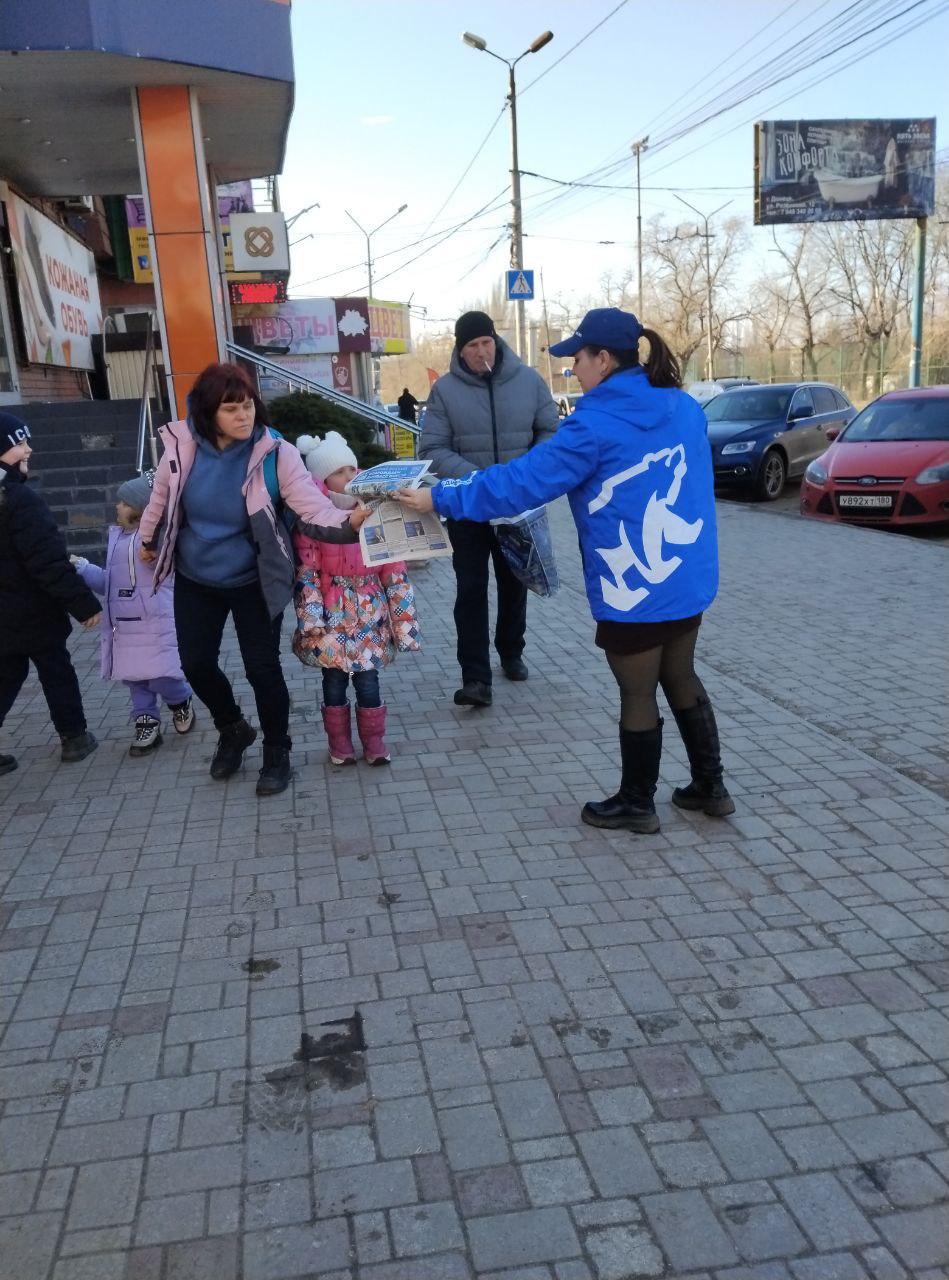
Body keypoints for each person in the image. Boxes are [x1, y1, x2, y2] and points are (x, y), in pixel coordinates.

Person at [400, 308, 735, 834]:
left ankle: (637, 802)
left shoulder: (592, 427)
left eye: (577, 359)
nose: (571, 370)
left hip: (633, 584)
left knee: (639, 692)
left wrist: (438, 497)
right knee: (680, 673)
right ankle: (711, 788)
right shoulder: (684, 407)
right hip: (684, 576)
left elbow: (518, 484)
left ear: (604, 359)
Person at [138, 363, 366, 797]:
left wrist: (351, 520)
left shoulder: (275, 453)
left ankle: (277, 751)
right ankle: (232, 728)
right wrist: (148, 539)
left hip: (254, 578)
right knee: (196, 663)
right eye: (231, 408)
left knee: (261, 669)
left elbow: (311, 510)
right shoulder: (181, 445)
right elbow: (161, 499)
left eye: (247, 406)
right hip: (196, 575)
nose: (243, 416)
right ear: (208, 412)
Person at [421, 310, 559, 707]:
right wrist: (478, 481)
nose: (481, 351)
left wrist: (525, 474)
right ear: (460, 350)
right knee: (470, 589)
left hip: (517, 505)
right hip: (467, 505)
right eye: (471, 345)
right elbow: (432, 449)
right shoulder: (445, 391)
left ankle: (511, 650)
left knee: (515, 581)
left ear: (496, 342)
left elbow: (550, 431)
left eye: (485, 342)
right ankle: (476, 678)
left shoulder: (530, 381)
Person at [291, 432, 420, 766]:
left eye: (352, 468)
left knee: (369, 681)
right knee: (333, 682)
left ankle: (374, 742)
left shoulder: (375, 510)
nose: (350, 476)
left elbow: (393, 568)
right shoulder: (313, 519)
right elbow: (308, 572)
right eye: (340, 472)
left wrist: (404, 623)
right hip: (331, 615)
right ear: (322, 480)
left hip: (369, 613)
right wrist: (311, 622)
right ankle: (339, 743)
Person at [0, 413, 101, 773]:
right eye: (19, 443)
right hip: (32, 612)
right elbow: (47, 559)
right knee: (56, 671)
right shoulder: (19, 500)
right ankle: (74, 737)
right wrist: (83, 603)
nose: (29, 449)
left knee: (6, 676)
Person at [71, 472, 195, 757]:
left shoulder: (157, 541)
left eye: (125, 503)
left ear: (142, 510)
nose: (118, 507)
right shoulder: (116, 539)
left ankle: (181, 700)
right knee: (135, 678)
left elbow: (171, 564)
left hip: (156, 622)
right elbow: (110, 584)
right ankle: (146, 720)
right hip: (123, 626)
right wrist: (84, 568)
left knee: (162, 676)